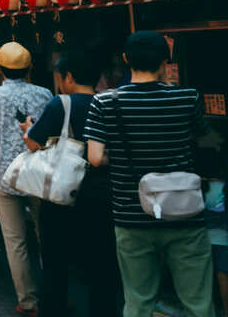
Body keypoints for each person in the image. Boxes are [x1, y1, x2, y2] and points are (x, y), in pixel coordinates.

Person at [85, 31, 213, 317]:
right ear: (166, 61)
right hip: (186, 212)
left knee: (139, 300)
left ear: (126, 59)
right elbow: (206, 140)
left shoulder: (105, 102)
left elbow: (94, 158)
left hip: (132, 215)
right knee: (198, 301)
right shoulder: (187, 97)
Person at [23, 50, 119, 317]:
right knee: (102, 263)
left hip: (62, 193)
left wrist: (27, 130)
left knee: (55, 262)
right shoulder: (108, 102)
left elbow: (33, 143)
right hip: (101, 193)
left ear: (68, 76)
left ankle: (52, 310)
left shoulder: (60, 104)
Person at [0, 41, 52, 315]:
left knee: (15, 240)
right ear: (30, 68)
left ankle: (28, 300)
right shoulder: (44, 94)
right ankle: (54, 293)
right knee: (47, 237)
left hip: (4, 175)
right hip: (40, 175)